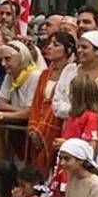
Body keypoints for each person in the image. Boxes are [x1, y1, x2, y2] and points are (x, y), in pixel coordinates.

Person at [50, 75, 98, 197]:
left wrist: (66, 143)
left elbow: (90, 147)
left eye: (72, 93)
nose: (70, 96)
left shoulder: (91, 117)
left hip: (75, 169)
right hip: (64, 166)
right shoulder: (72, 115)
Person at [27, 32, 75, 173]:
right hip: (37, 129)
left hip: (59, 130)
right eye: (49, 43)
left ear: (69, 49)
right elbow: (36, 103)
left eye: (56, 44)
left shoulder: (73, 74)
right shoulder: (44, 74)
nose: (50, 47)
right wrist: (33, 128)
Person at [52, 30, 98, 120]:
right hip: (70, 126)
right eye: (78, 47)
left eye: (84, 47)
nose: (79, 50)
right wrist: (76, 111)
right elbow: (57, 102)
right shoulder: (70, 70)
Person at [0, 40, 41, 122]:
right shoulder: (9, 74)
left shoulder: (35, 76)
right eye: (1, 59)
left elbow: (30, 113)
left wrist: (1, 114)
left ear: (21, 57)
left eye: (7, 59)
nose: (3, 64)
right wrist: (21, 110)